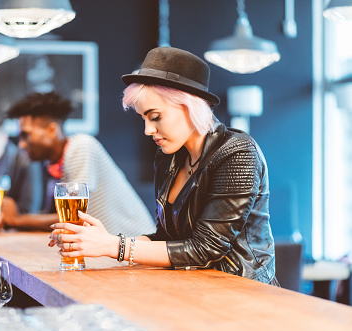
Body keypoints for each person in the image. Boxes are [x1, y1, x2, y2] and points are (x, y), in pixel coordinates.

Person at [48, 47, 277, 284]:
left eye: (155, 117)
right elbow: (165, 238)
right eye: (144, 119)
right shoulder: (169, 157)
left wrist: (114, 246)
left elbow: (206, 248)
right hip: (194, 290)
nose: (148, 130)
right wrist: (103, 240)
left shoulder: (237, 152)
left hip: (244, 294)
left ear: (190, 106)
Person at [0, 91, 156, 235]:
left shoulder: (80, 146)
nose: (21, 144)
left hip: (136, 252)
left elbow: (72, 218)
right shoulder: (57, 163)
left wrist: (15, 220)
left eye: (25, 135)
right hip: (114, 255)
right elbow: (59, 217)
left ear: (51, 130)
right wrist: (9, 220)